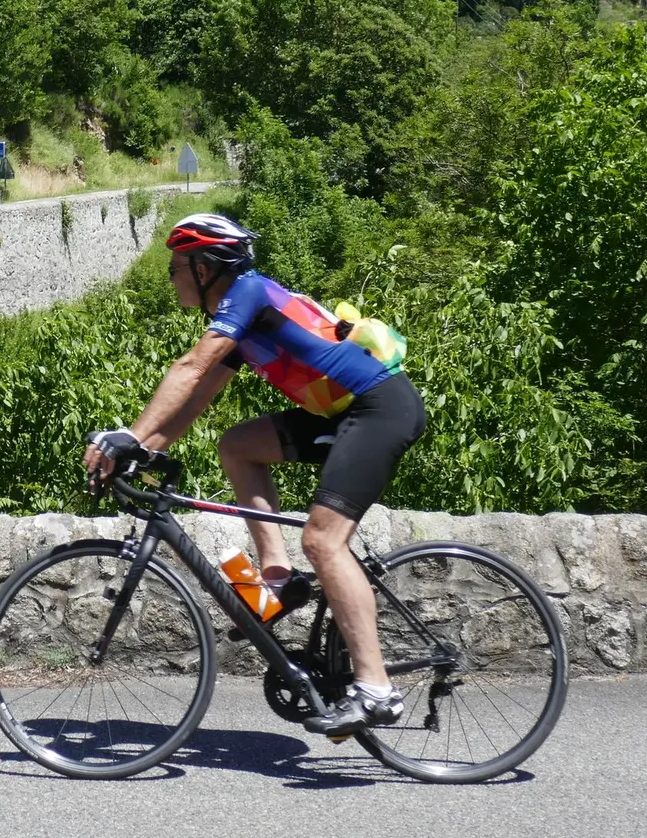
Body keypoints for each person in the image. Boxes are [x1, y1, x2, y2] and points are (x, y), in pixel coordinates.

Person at [82, 213, 426, 737]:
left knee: (324, 541)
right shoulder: (239, 318)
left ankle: (377, 691)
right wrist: (141, 452)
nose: (171, 276)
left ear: (204, 267)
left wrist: (127, 434)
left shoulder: (249, 293)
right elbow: (196, 400)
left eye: (176, 266)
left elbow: (188, 369)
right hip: (341, 413)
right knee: (238, 447)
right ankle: (276, 579)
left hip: (379, 408)